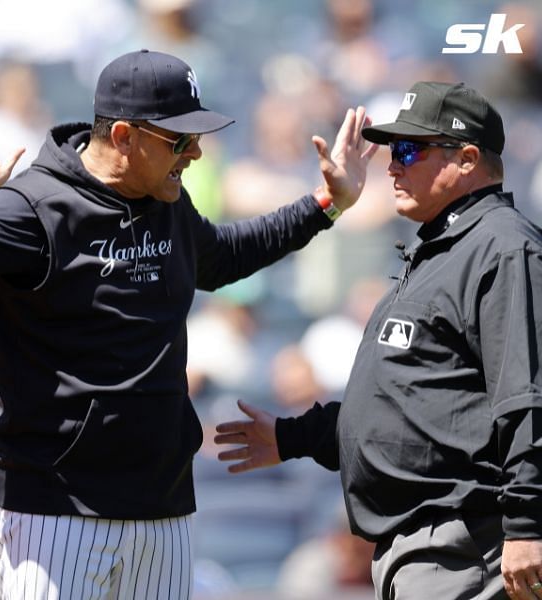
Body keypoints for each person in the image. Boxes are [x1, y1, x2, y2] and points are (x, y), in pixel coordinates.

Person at [0, 49, 375, 598]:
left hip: (164, 508)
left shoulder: (163, 196)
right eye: (179, 139)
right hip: (59, 510)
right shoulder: (32, 207)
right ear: (123, 136)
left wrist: (327, 205)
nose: (195, 153)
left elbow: (222, 257)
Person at [215, 81, 542, 600]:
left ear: (468, 159)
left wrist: (527, 525)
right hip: (424, 551)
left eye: (410, 150)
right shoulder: (438, 252)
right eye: (393, 150)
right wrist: (295, 437)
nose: (393, 165)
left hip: (467, 547)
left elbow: (527, 398)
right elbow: (408, 412)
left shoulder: (503, 248)